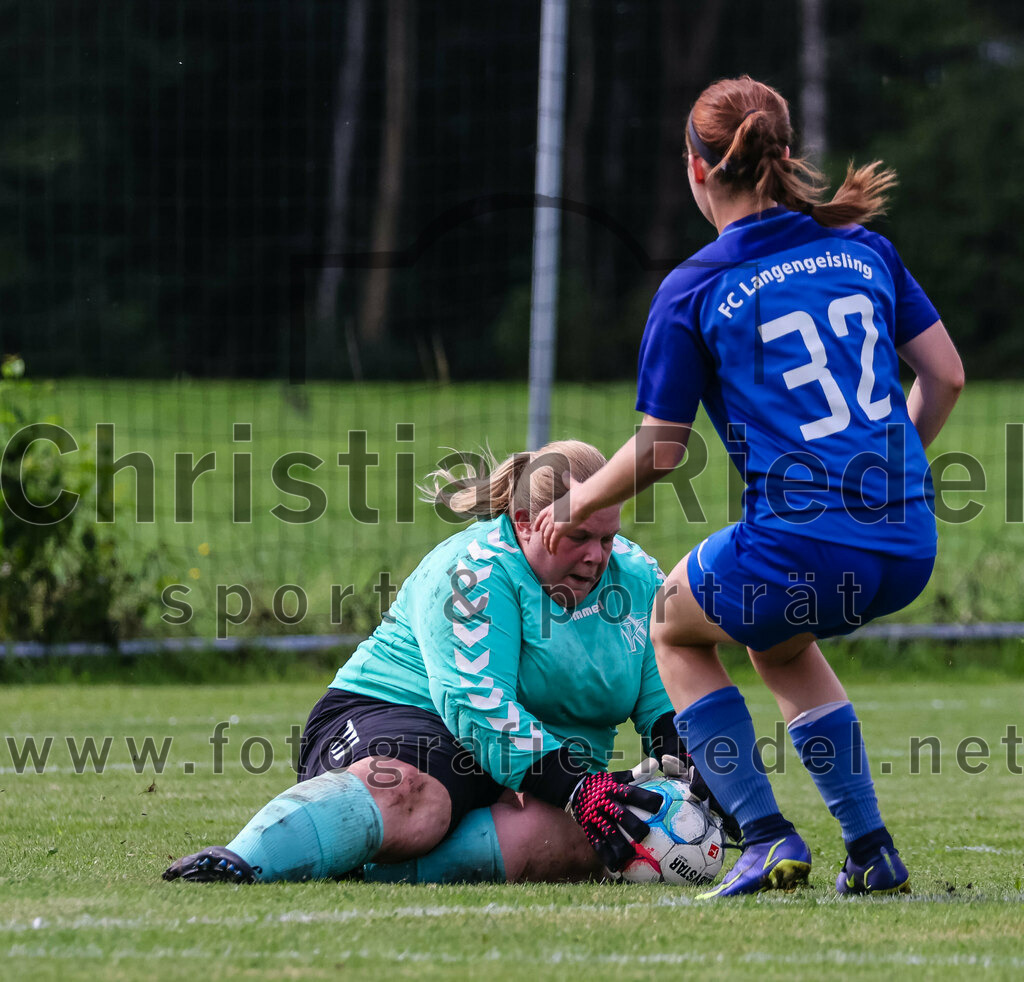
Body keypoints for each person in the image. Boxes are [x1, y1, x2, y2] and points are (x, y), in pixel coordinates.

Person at [534, 77, 964, 898]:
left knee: (672, 624)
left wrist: (575, 503)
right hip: (909, 542)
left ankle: (765, 835)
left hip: (800, 542)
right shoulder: (865, 248)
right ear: (784, 153)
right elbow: (945, 376)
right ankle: (870, 851)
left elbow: (660, 452)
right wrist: (893, 473)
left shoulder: (693, 288)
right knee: (777, 641)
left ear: (696, 171)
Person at [164, 440, 708, 886]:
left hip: (535, 763)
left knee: (590, 836)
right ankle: (241, 861)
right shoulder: (472, 571)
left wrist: (710, 786)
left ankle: (368, 871)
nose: (596, 555)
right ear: (524, 522)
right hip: (402, 716)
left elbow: (667, 703)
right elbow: (477, 707)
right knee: (415, 798)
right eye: (579, 536)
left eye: (608, 537)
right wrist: (577, 786)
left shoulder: (635, 579)